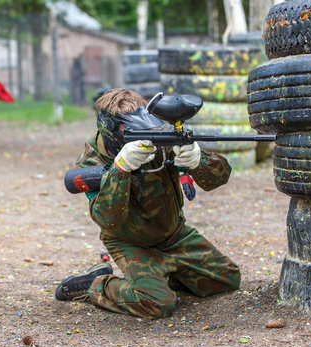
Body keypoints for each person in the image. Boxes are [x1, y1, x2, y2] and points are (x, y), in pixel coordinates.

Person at [55, 88, 240, 319]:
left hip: (175, 235)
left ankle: (159, 275)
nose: (141, 135)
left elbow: (219, 178)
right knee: (156, 304)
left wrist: (198, 160)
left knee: (227, 278)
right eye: (129, 130)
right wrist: (120, 170)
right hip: (130, 244)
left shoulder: (157, 138)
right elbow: (109, 220)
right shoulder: (92, 161)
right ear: (110, 129)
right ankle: (96, 285)